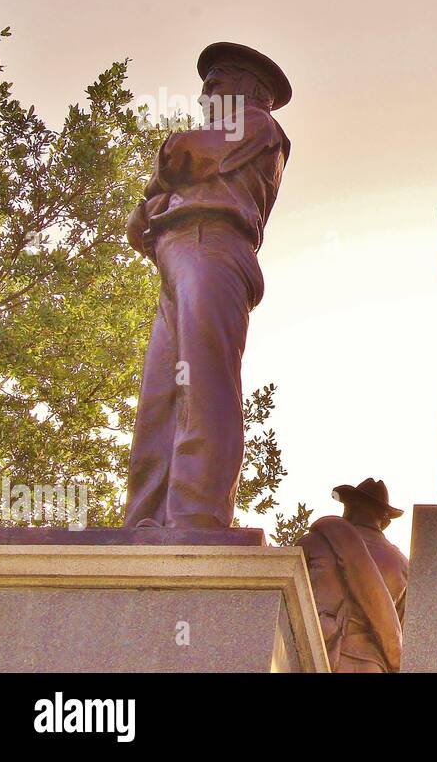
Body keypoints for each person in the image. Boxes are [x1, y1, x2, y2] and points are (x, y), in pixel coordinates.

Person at [124, 42, 291, 529]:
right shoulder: (233, 129)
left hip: (213, 245)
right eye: (206, 79)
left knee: (203, 380)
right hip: (178, 252)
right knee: (160, 396)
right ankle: (147, 518)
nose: (207, 88)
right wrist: (159, 198)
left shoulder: (257, 123)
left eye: (219, 78)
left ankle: (197, 513)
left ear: (251, 88)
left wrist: (162, 187)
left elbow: (185, 155)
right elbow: (139, 223)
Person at [297, 478, 409, 673]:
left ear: (349, 507)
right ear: (385, 519)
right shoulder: (401, 565)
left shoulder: (313, 542)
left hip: (310, 654)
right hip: (371, 665)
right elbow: (402, 632)